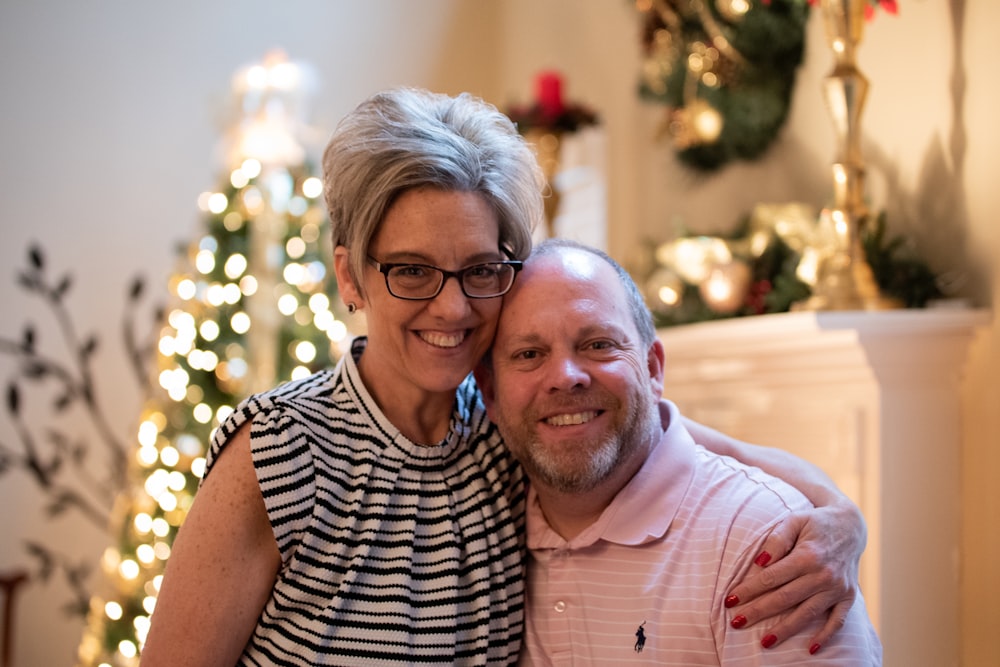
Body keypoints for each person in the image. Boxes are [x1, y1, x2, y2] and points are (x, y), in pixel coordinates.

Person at [140, 88, 865, 666]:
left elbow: (682, 444)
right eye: (412, 270)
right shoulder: (277, 452)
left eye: (481, 270)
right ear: (350, 277)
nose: (452, 305)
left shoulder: (506, 420)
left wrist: (840, 520)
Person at [475, 238, 882, 665]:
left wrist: (840, 510)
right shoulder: (487, 516)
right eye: (528, 354)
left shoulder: (769, 546)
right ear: (489, 394)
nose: (566, 376)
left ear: (652, 369)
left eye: (598, 344)